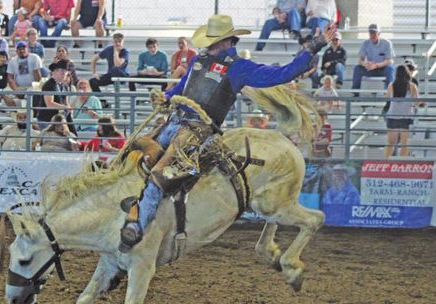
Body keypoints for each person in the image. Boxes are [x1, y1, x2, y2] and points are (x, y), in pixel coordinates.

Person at [118, 14, 335, 252]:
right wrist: (167, 97)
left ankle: (137, 227)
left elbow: (282, 74)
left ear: (226, 41)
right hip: (174, 121)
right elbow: (181, 88)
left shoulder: (239, 69)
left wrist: (316, 45)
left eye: (212, 40)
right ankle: (139, 203)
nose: (207, 45)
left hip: (198, 131)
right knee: (135, 152)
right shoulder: (198, 60)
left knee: (162, 174)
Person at [384, 65, 420, 158]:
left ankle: (386, 162)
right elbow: (416, 103)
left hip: (392, 117)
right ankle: (401, 163)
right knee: (405, 144)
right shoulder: (412, 86)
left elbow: (387, 98)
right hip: (406, 117)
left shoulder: (391, 85)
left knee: (390, 144)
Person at [352, 24, 396, 94]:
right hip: (370, 68)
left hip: (383, 68)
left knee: (390, 69)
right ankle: (355, 93)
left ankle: (388, 94)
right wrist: (365, 64)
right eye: (370, 33)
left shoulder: (387, 43)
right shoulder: (365, 43)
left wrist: (377, 65)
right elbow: (360, 60)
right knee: (357, 69)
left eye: (374, 33)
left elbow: (389, 60)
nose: (372, 35)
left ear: (379, 34)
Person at [37, 59, 76, 135]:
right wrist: (65, 107)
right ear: (54, 71)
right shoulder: (49, 85)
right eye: (60, 71)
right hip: (47, 119)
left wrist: (68, 108)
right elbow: (49, 104)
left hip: (60, 118)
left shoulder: (64, 86)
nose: (63, 73)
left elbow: (66, 102)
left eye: (65, 71)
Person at [4, 41, 43, 107]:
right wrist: (16, 90)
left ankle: (26, 110)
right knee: (4, 93)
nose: (21, 50)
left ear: (27, 49)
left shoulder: (35, 57)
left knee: (32, 94)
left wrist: (37, 86)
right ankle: (16, 112)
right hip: (18, 87)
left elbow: (37, 74)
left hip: (32, 86)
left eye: (23, 48)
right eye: (19, 49)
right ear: (16, 51)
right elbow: (10, 78)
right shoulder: (13, 61)